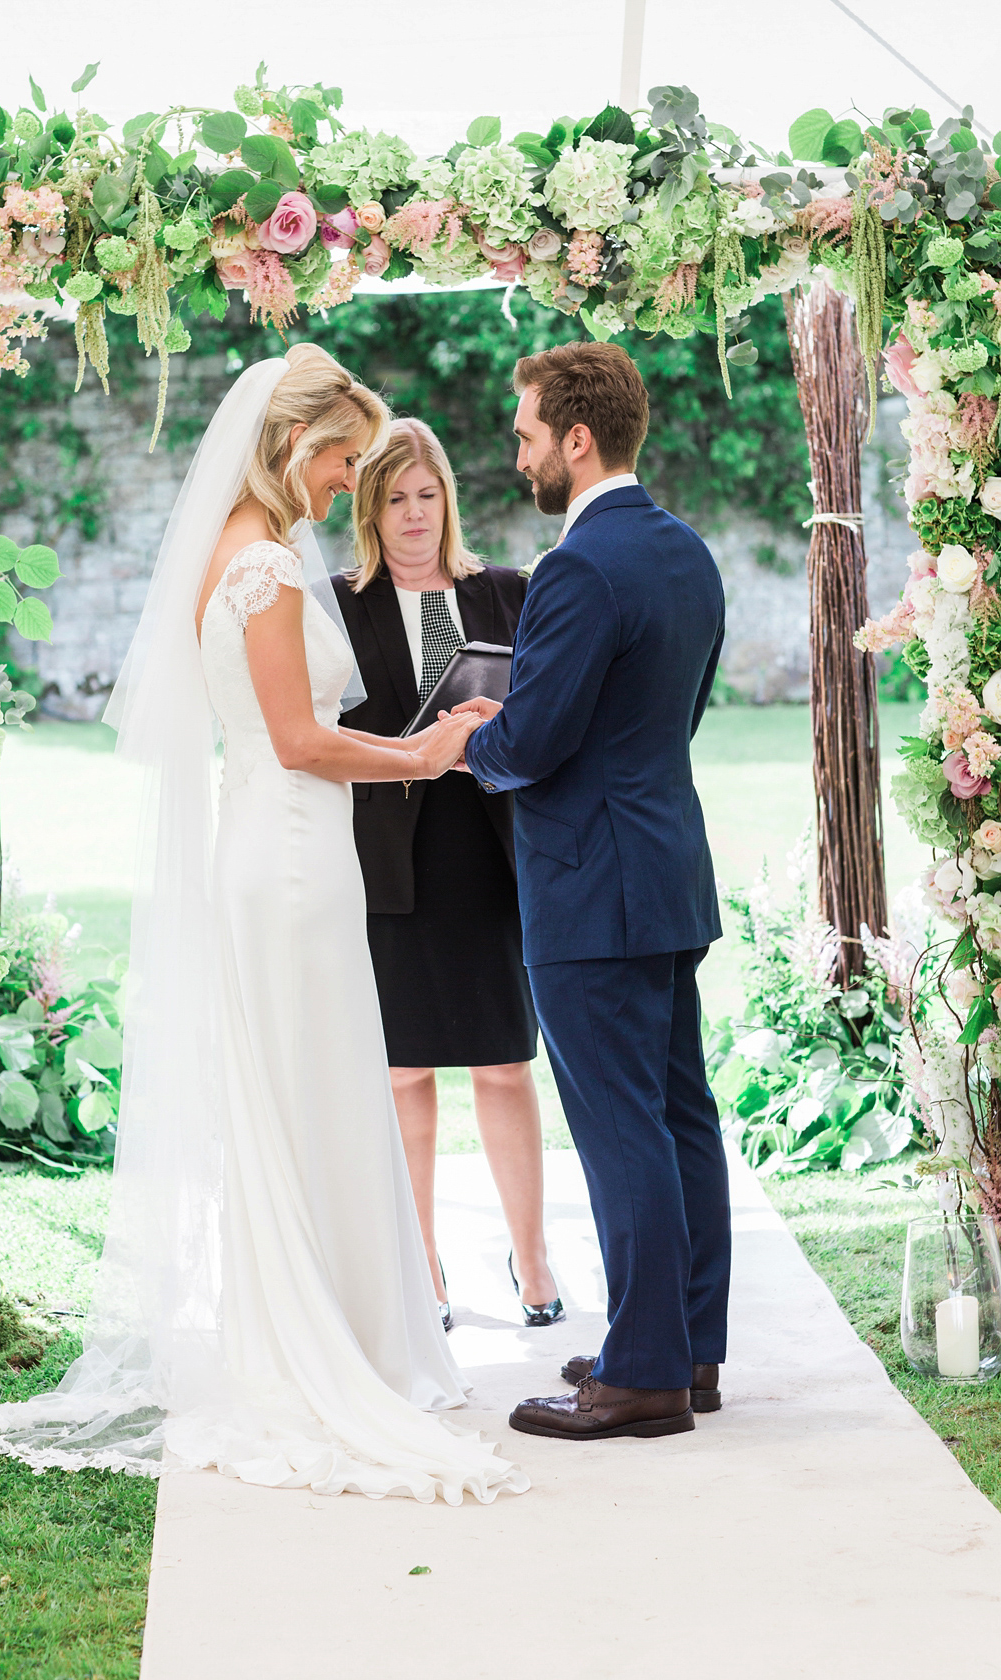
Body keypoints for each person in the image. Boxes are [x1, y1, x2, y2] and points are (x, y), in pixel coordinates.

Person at [0, 346, 528, 1506]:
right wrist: (418, 753)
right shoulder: (257, 567)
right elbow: (298, 740)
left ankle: (346, 1325)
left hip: (296, 849)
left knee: (320, 1087)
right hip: (291, 854)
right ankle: (312, 1344)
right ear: (292, 445)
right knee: (310, 1088)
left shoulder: (263, 546)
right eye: (343, 460)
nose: (349, 484)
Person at [454, 340, 731, 1443]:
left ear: (576, 439)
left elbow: (540, 738)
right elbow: (672, 717)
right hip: (666, 868)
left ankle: (646, 1376)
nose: (517, 454)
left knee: (623, 1128)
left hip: (589, 884)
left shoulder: (577, 568)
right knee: (676, 1117)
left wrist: (481, 737)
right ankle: (687, 1349)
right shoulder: (687, 552)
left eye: (525, 434)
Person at [332, 420, 560, 1329]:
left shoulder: (507, 591)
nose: (414, 515)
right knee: (403, 1073)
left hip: (493, 854)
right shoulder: (338, 607)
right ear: (370, 509)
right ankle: (421, 1264)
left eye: (427, 496)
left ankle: (533, 1258)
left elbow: (546, 709)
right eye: (394, 498)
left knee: (506, 1064)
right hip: (391, 860)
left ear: (448, 502)